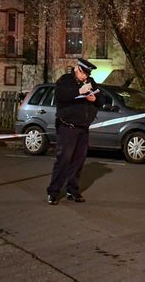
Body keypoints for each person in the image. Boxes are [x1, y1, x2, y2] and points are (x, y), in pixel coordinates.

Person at [46, 58, 100, 205]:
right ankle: (53, 192)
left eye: (88, 74)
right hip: (67, 127)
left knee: (78, 161)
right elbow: (60, 97)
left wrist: (94, 99)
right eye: (84, 73)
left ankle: (72, 190)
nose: (86, 77)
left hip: (83, 128)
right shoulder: (65, 81)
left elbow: (100, 100)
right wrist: (78, 91)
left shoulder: (90, 82)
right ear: (77, 68)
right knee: (63, 160)